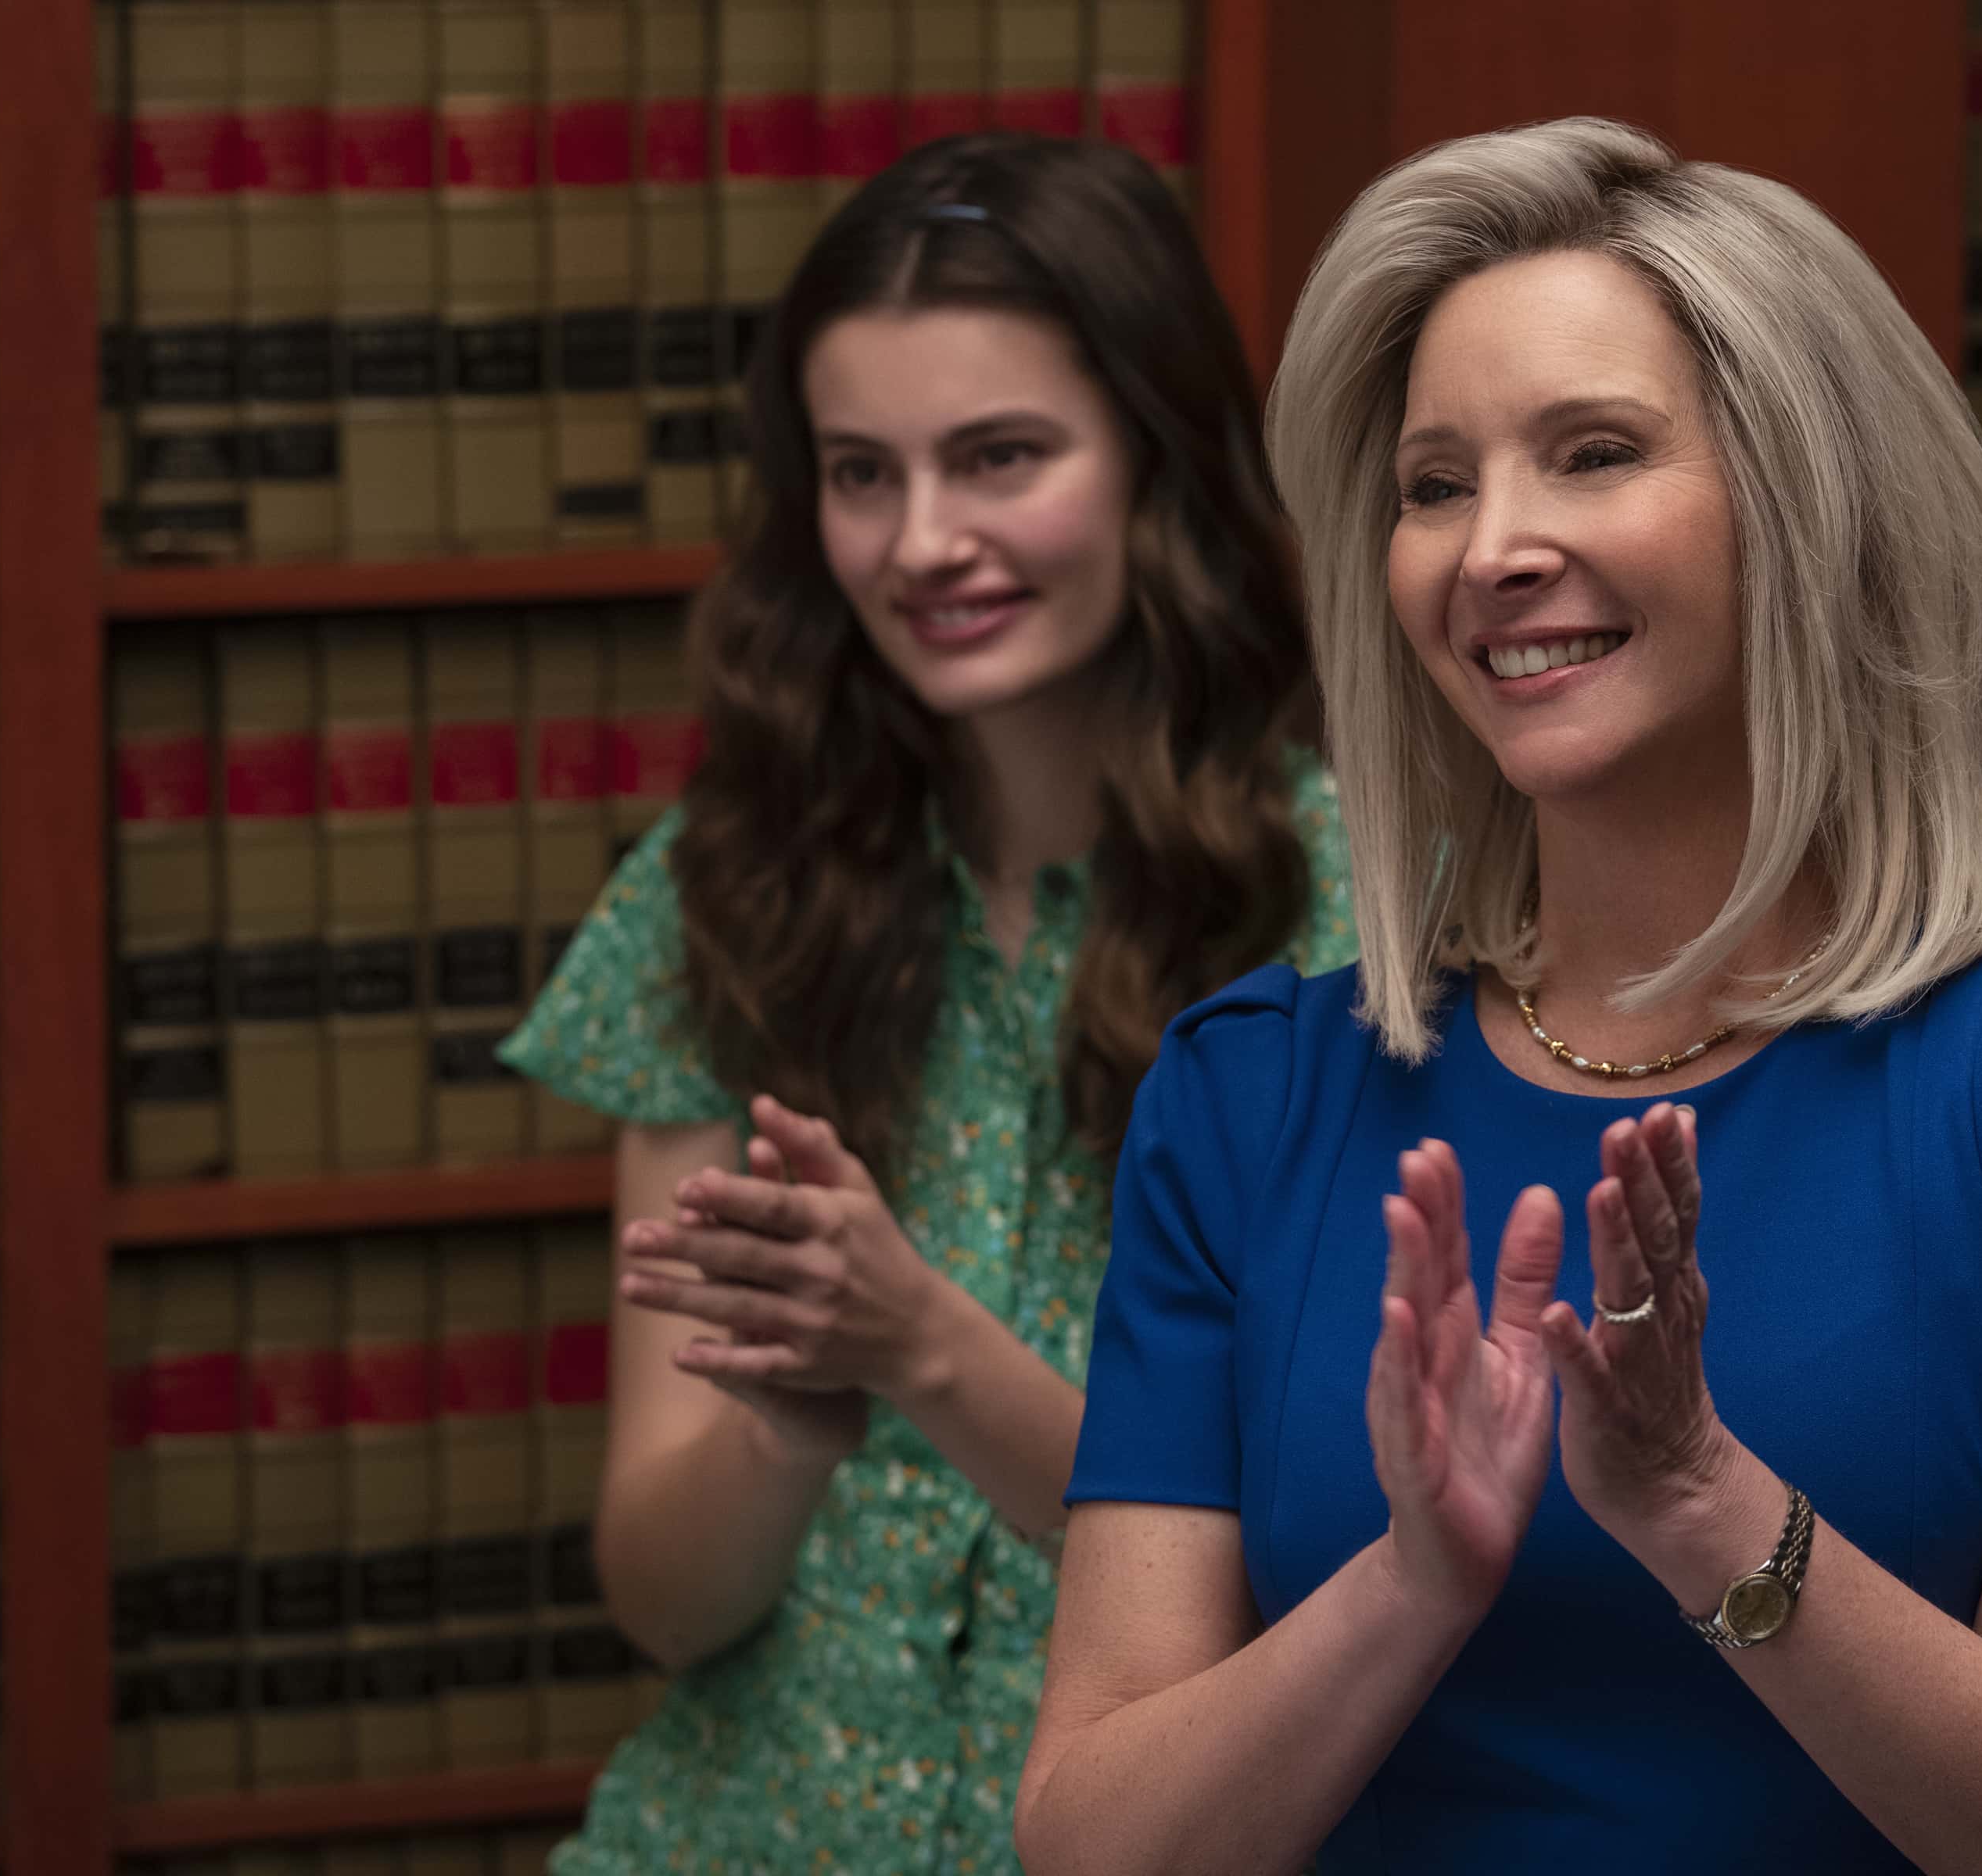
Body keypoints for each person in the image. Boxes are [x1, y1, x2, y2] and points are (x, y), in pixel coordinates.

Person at [1016, 118, 1982, 1876]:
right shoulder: (1252, 1097)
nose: (1490, 550)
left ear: (1810, 507)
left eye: (1593, 455)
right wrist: (1414, 1582)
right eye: (1434, 486)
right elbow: (1094, 1843)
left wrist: (1698, 1502)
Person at [496, 131, 1355, 1876]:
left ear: (1155, 457)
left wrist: (923, 1350)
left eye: (1000, 457)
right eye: (860, 475)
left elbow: (1320, 1587)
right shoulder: (721, 889)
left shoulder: (1368, 922)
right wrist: (785, 1434)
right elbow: (662, 1606)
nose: (924, 542)